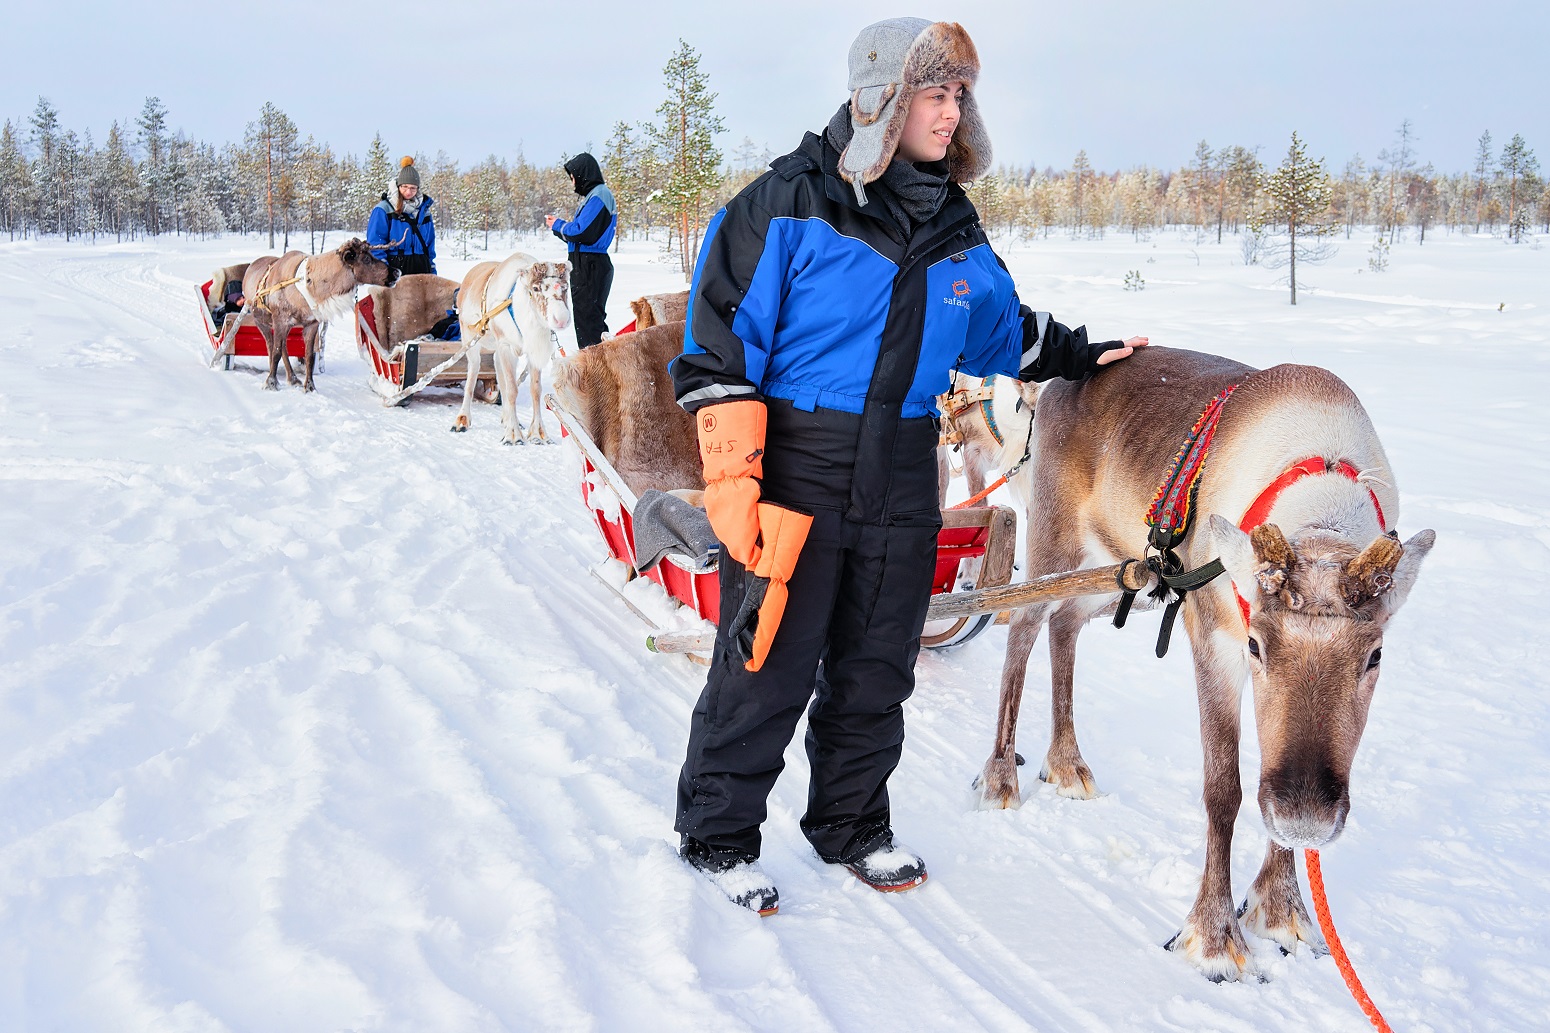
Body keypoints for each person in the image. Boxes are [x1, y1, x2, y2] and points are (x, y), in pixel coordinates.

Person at [669, 18, 1149, 916]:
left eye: (961, 92)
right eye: (937, 92)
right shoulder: (787, 205)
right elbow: (719, 350)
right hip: (798, 466)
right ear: (882, 99)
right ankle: (718, 831)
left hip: (900, 471)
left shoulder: (953, 224)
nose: (953, 109)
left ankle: (848, 822)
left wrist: (1083, 354)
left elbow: (1006, 331)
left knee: (878, 663)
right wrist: (736, 483)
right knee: (768, 657)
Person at [546, 153, 616, 347]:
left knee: (589, 323)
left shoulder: (600, 195)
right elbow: (578, 234)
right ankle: (599, 368)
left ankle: (595, 371)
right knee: (589, 320)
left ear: (583, 174)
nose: (572, 183)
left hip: (590, 264)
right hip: (586, 263)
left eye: (573, 177)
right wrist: (558, 228)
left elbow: (582, 232)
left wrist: (559, 224)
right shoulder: (594, 196)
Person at [368, 156, 436, 276]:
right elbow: (376, 244)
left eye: (413, 188)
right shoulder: (383, 209)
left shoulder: (424, 211)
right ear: (398, 186)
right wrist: (384, 272)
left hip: (422, 269)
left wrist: (432, 269)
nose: (408, 192)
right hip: (395, 269)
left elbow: (429, 244)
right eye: (405, 187)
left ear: (418, 189)